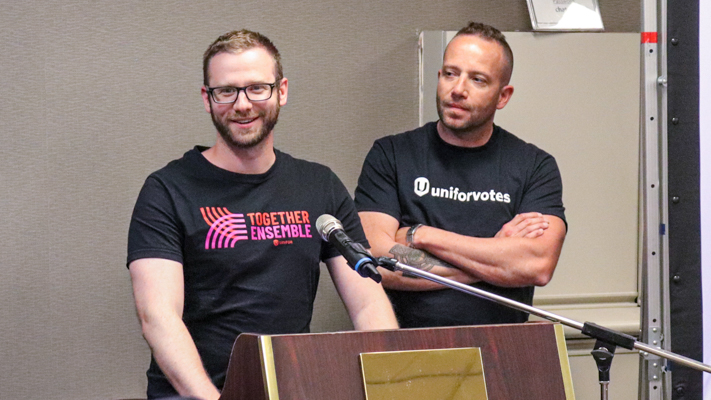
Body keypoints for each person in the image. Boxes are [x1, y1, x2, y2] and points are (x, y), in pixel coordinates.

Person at [127, 30, 398, 400]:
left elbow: (368, 303)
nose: (242, 104)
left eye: (257, 88)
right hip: (196, 394)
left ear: (281, 91)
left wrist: (393, 382)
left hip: (288, 386)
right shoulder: (167, 190)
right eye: (226, 91)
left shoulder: (319, 185)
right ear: (207, 99)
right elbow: (157, 318)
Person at [354, 22, 567, 328]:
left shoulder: (534, 166)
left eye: (478, 80)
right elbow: (376, 258)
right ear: (439, 77)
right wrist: (493, 261)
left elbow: (537, 264)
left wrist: (420, 235)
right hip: (405, 352)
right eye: (451, 74)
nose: (458, 89)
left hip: (502, 352)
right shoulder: (392, 154)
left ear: (503, 96)